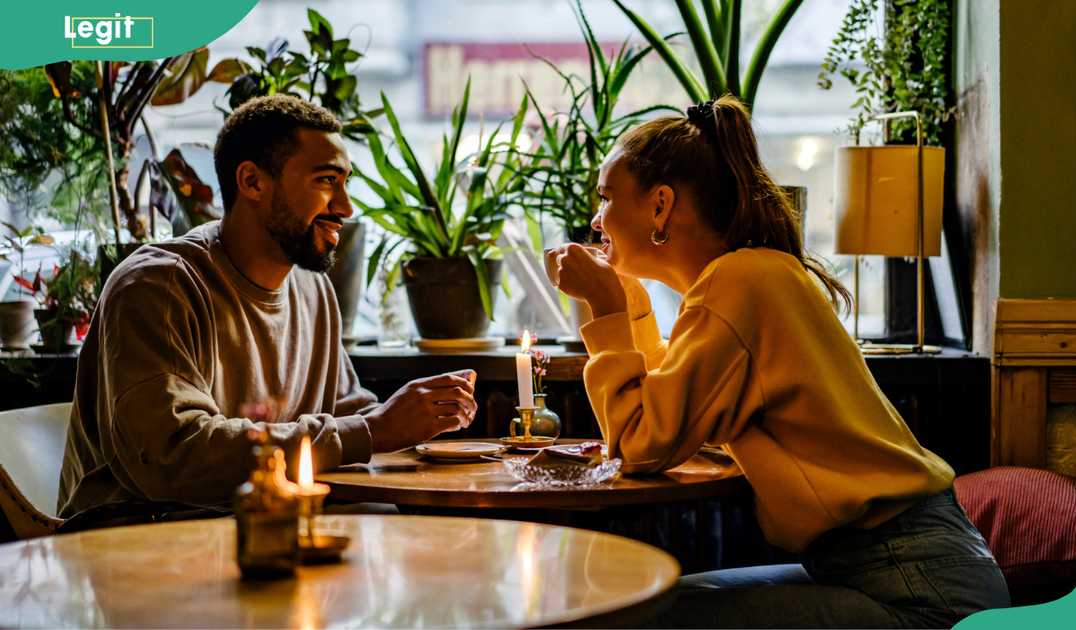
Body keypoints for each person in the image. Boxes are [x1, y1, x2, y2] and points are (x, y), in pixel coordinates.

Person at [548, 96, 1009, 628]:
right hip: (902, 567)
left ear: (660, 206)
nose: (595, 218)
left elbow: (639, 445)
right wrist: (629, 303)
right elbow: (674, 415)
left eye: (606, 198)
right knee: (654, 603)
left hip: (918, 590)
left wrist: (604, 308)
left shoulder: (739, 282)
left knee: (647, 614)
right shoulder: (752, 276)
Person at [57, 95, 477, 525]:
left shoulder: (313, 289)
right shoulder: (157, 286)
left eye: (345, 182)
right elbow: (173, 455)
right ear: (253, 182)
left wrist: (418, 422)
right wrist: (375, 431)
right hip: (135, 544)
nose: (346, 208)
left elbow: (347, 417)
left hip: (263, 526)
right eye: (326, 181)